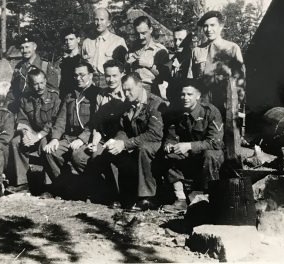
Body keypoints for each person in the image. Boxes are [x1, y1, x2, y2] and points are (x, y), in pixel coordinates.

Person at [92, 72, 166, 211]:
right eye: (124, 90)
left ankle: (146, 198)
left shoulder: (155, 103)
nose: (126, 94)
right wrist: (117, 141)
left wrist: (125, 144)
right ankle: (121, 195)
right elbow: (122, 128)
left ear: (140, 85)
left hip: (154, 143)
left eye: (129, 90)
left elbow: (154, 134)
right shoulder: (128, 103)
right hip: (134, 142)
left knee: (143, 149)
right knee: (111, 150)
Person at [162, 80, 224, 212]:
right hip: (189, 155)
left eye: (189, 94)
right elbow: (171, 135)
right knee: (169, 154)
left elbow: (216, 142)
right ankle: (181, 199)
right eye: (183, 94)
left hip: (207, 156)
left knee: (211, 154)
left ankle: (209, 198)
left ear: (198, 95)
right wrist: (169, 144)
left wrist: (189, 145)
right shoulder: (178, 112)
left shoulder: (210, 112)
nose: (185, 98)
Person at [70, 59, 127, 201]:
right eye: (108, 76)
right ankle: (100, 188)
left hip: (123, 137)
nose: (111, 80)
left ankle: (117, 195)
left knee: (103, 157)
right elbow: (97, 124)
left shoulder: (127, 94)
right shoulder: (101, 95)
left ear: (122, 74)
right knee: (79, 156)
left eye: (115, 76)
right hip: (103, 136)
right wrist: (94, 143)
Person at [42, 61, 100, 195]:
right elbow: (61, 119)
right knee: (51, 152)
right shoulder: (70, 95)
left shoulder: (96, 95)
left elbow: (96, 122)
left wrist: (82, 139)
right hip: (69, 137)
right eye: (75, 75)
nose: (78, 78)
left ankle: (90, 188)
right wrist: (55, 138)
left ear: (90, 75)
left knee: (78, 155)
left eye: (82, 75)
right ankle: (65, 187)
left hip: (90, 137)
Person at [8, 68, 61, 188]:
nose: (40, 87)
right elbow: (22, 119)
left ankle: (49, 186)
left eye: (42, 82)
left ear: (46, 81)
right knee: (16, 142)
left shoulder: (55, 97)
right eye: (36, 84)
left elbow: (54, 121)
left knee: (45, 147)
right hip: (32, 133)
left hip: (48, 134)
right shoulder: (25, 98)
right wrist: (25, 133)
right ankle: (22, 183)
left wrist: (38, 136)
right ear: (30, 85)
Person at [191, 11, 245, 120]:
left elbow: (241, 78)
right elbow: (191, 79)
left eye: (212, 25)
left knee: (226, 133)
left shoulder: (232, 48)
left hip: (225, 100)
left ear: (221, 26)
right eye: (205, 26)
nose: (209, 29)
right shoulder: (197, 51)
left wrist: (238, 101)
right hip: (203, 100)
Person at [6, 35, 61, 113]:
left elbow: (54, 92)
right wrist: (8, 105)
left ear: (34, 47)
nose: (24, 50)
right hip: (21, 110)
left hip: (42, 110)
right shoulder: (19, 67)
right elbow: (13, 90)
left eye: (27, 47)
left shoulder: (45, 66)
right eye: (22, 48)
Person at [82, 7, 128, 88]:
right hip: (90, 81)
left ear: (108, 22)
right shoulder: (87, 42)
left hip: (110, 81)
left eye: (102, 19)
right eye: (96, 19)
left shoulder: (118, 41)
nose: (99, 23)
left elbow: (125, 67)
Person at [127, 16, 169, 98]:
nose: (140, 37)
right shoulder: (132, 49)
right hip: (132, 89)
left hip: (151, 89)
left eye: (143, 33)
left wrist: (147, 65)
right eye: (137, 33)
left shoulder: (159, 50)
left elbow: (165, 77)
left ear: (150, 29)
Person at [166, 26, 193, 109]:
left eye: (181, 40)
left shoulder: (193, 60)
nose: (177, 43)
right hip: (174, 104)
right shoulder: (173, 60)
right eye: (175, 40)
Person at [55, 26, 83, 98]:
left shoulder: (84, 57)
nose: (68, 42)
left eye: (71, 39)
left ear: (78, 39)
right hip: (64, 94)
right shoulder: (61, 59)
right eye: (66, 40)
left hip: (79, 94)